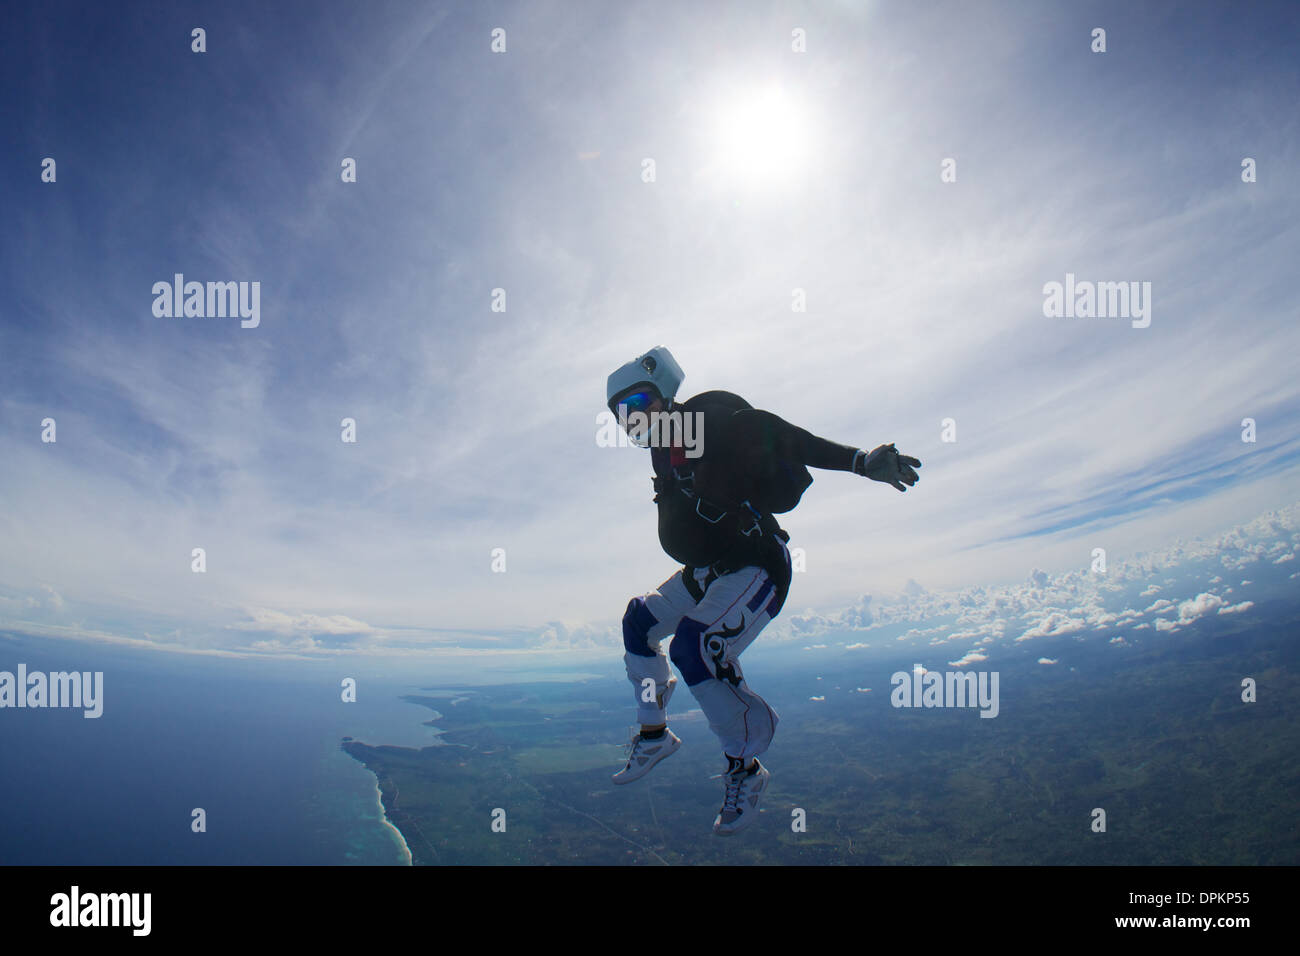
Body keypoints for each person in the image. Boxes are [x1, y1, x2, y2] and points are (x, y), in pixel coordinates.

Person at [606, 346, 921, 835]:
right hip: (709, 569)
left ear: (666, 395)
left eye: (640, 402)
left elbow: (792, 440)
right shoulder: (665, 450)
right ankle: (654, 734)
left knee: (695, 648)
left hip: (758, 564)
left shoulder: (713, 423)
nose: (634, 418)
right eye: (622, 414)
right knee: (639, 621)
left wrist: (862, 461)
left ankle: (746, 772)